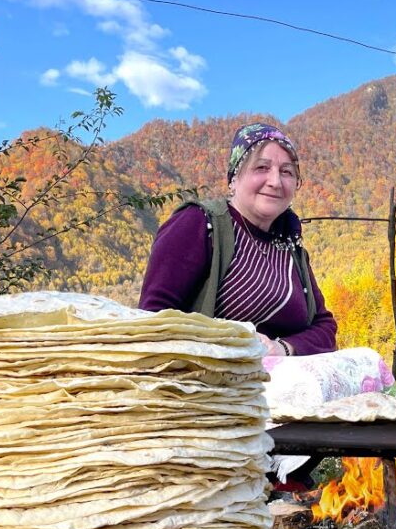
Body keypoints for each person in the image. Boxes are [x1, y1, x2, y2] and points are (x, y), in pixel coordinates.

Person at [139, 122, 337, 356]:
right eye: (261, 167)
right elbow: (152, 319)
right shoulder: (199, 224)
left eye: (286, 172)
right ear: (234, 178)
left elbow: (325, 327)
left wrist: (282, 348)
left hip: (283, 374)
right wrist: (232, 350)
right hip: (205, 374)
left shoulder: (291, 245)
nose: (275, 181)